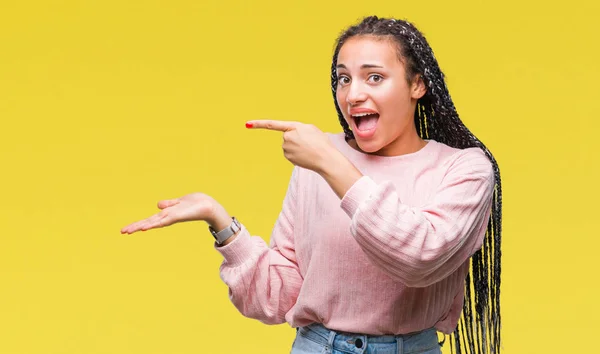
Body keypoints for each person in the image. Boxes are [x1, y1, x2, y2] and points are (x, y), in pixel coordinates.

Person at [121, 16, 502, 354]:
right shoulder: (317, 164)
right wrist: (222, 223)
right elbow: (282, 295)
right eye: (343, 78)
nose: (353, 94)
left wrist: (330, 163)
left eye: (374, 77)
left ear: (417, 84)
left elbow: (421, 257)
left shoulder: (464, 168)